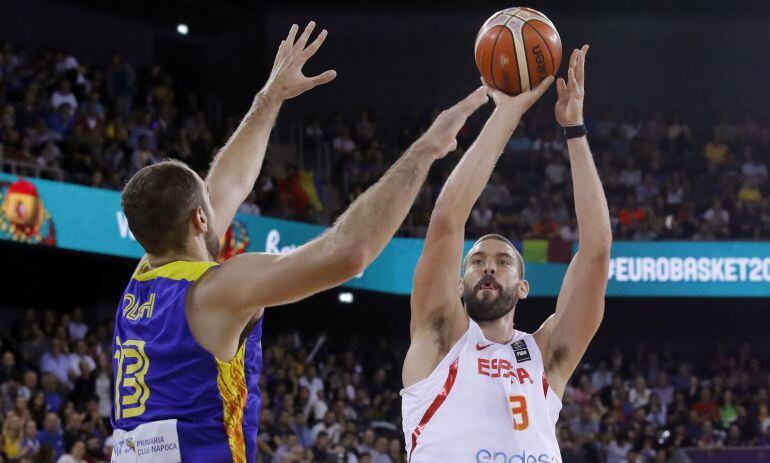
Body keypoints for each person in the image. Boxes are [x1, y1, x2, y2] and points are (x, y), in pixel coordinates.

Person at [110, 21, 489, 463]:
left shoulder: (144, 277)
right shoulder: (216, 290)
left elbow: (227, 184)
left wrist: (269, 98)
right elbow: (349, 252)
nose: (217, 202)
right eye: (206, 204)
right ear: (199, 218)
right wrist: (425, 149)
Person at [401, 45, 611, 461]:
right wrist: (508, 112)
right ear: (459, 285)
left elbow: (596, 252)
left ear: (524, 287)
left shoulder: (546, 357)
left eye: (503, 261)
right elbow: (446, 221)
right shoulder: (439, 337)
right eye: (477, 261)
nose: (489, 267)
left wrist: (575, 130)